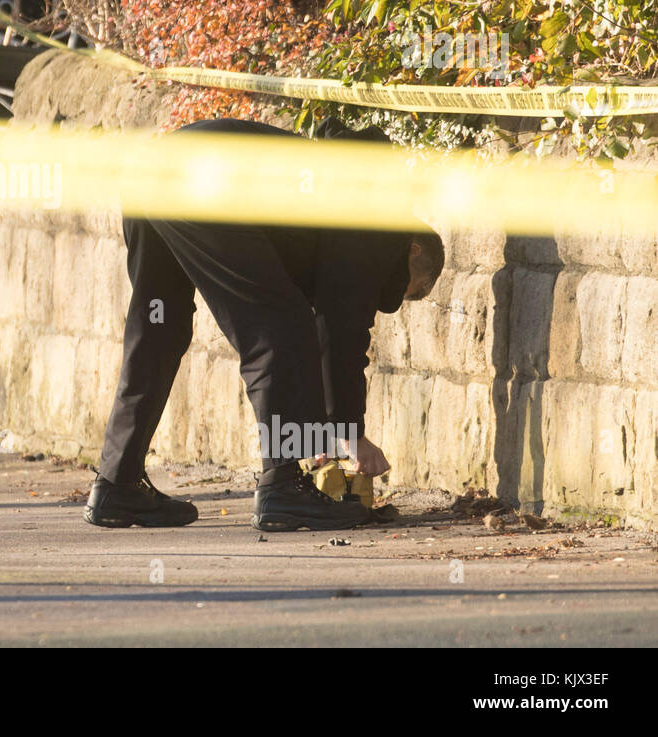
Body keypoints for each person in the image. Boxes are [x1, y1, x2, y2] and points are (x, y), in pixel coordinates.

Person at [83, 116, 445, 532]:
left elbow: (328, 312)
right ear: (414, 249)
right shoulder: (381, 223)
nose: (396, 299)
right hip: (204, 179)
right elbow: (340, 330)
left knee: (158, 330)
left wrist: (319, 433)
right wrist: (350, 433)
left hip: (152, 172)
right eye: (410, 289)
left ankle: (117, 484)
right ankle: (282, 487)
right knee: (279, 328)